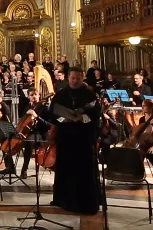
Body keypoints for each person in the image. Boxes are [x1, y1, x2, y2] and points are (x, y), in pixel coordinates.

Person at [50, 67, 100, 215]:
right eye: (72, 78)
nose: (75, 81)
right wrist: (63, 119)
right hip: (65, 137)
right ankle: (62, 200)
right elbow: (52, 114)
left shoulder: (90, 95)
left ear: (82, 78)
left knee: (83, 170)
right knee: (64, 168)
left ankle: (83, 203)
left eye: (78, 78)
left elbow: (96, 116)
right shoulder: (61, 94)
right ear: (68, 77)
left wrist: (81, 118)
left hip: (83, 138)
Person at [19, 87, 51, 179]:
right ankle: (10, 167)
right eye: (31, 95)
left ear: (39, 96)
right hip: (29, 131)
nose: (34, 97)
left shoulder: (45, 107)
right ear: (28, 97)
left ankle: (24, 170)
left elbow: (48, 125)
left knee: (29, 142)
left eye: (35, 94)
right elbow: (24, 121)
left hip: (41, 133)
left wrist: (36, 116)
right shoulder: (28, 107)